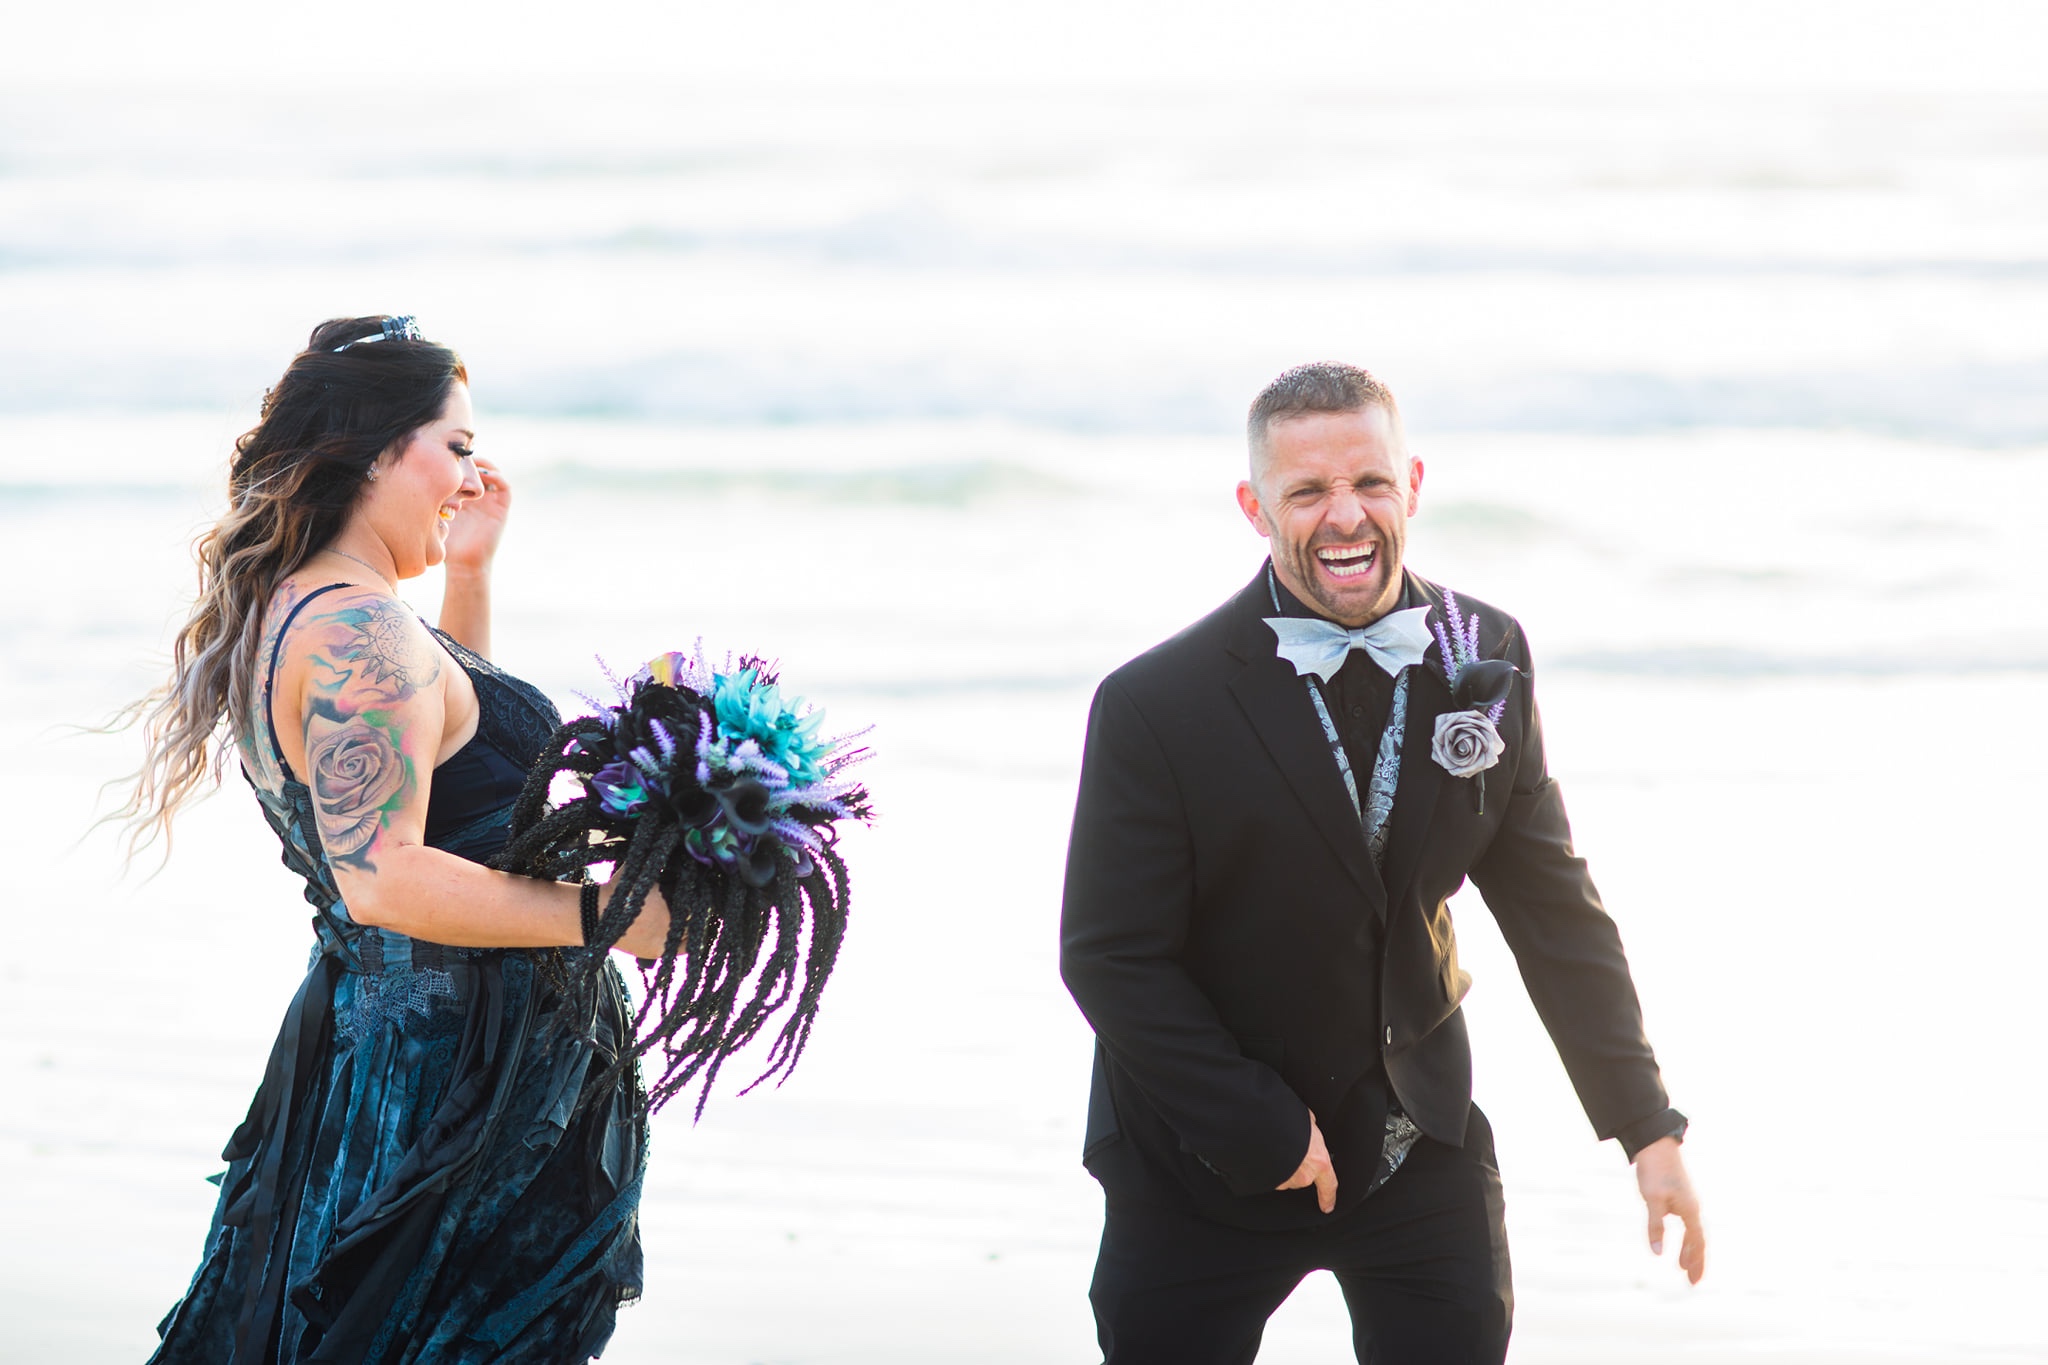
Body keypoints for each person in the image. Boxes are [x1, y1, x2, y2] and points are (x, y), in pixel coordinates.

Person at [1059, 362, 1705, 1364]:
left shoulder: (1481, 651)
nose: (1343, 517)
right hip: (1198, 1156)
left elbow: (1551, 908)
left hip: (1415, 1135)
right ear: (1253, 506)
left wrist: (1644, 1126)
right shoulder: (1153, 704)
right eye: (1306, 492)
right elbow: (1109, 958)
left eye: (1366, 483)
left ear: (1410, 484)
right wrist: (1260, 1127)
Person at [118, 316, 671, 1363]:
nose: (473, 474)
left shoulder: (321, 610)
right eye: (455, 446)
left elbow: (459, 788)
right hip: (447, 1082)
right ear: (378, 451)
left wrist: (468, 578)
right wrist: (609, 917)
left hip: (392, 1047)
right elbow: (384, 875)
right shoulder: (355, 633)